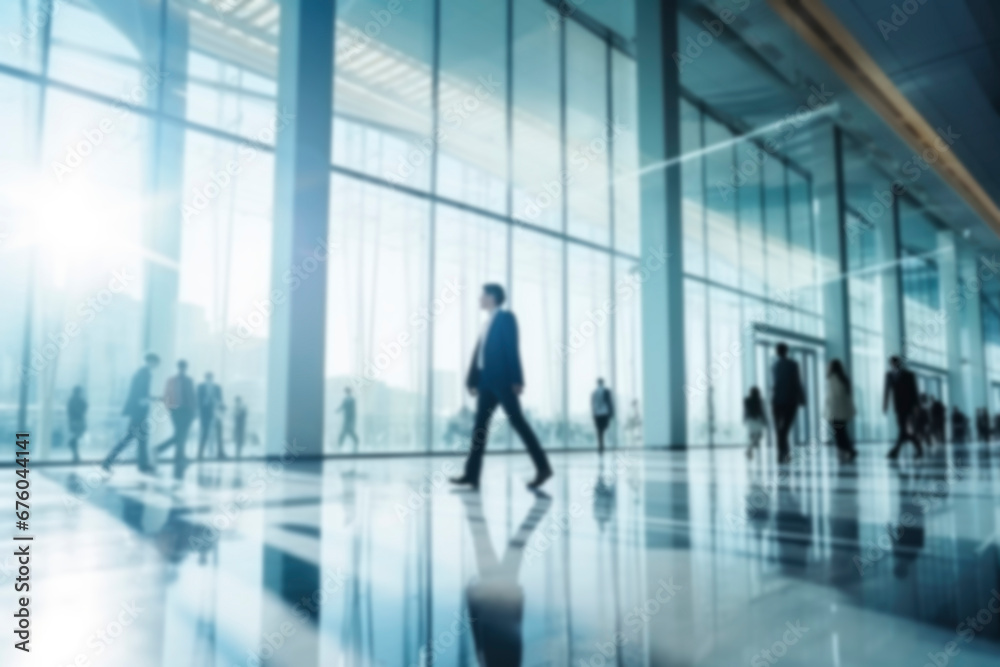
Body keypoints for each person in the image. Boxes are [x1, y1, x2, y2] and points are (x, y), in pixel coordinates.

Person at [451, 283, 553, 491]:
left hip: (503, 381)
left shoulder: (506, 318)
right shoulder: (487, 322)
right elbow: (478, 355)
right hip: (486, 381)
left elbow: (512, 348)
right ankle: (472, 475)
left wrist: (517, 379)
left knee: (518, 423)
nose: (479, 298)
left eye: (482, 295)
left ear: (493, 297)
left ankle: (543, 468)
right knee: (479, 429)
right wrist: (472, 381)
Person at [103, 353, 160, 472]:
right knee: (132, 438)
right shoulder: (145, 373)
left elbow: (139, 392)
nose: (156, 365)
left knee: (140, 438)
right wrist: (143, 400)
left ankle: (141, 465)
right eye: (155, 362)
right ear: (151, 361)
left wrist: (151, 398)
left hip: (137, 411)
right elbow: (138, 393)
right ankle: (109, 461)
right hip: (139, 412)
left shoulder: (141, 373)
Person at [155, 360, 197, 477]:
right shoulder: (171, 380)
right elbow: (166, 395)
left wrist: (194, 412)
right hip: (176, 411)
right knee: (180, 435)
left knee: (181, 435)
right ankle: (162, 450)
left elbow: (193, 396)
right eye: (181, 367)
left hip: (188, 411)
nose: (182, 369)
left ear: (186, 368)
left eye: (184, 367)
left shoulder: (189, 380)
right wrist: (170, 409)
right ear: (178, 367)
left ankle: (179, 457)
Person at [770, 343, 806, 465]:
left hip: (776, 401)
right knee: (784, 429)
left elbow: (775, 385)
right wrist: (802, 398)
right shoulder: (793, 365)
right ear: (786, 351)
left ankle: (782, 453)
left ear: (777, 352)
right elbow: (797, 382)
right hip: (790, 401)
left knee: (779, 430)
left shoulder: (774, 366)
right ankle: (784, 453)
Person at [884, 356, 922, 460]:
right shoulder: (890, 375)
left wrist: (917, 406)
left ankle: (895, 451)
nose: (893, 365)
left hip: (908, 406)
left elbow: (914, 391)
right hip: (898, 406)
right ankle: (917, 448)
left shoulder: (908, 375)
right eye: (892, 363)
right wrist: (885, 404)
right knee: (903, 430)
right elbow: (886, 390)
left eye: (894, 363)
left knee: (903, 429)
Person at [825, 360, 857, 463]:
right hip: (843, 411)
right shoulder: (844, 379)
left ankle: (847, 450)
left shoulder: (832, 379)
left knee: (838, 433)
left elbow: (831, 397)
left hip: (835, 411)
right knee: (842, 432)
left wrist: (827, 411)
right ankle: (848, 450)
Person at [197, 372, 225, 460]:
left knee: (219, 433)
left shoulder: (217, 388)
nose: (209, 380)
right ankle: (200, 454)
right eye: (208, 378)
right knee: (204, 433)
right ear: (205, 379)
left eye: (210, 378)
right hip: (205, 414)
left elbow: (221, 400)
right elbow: (198, 401)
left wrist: (216, 402)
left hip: (216, 413)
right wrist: (206, 400)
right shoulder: (200, 387)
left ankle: (220, 453)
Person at [591, 378, 615, 455]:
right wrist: (611, 412)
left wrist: (594, 414)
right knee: (602, 429)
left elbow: (593, 404)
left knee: (599, 431)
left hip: (598, 413)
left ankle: (601, 446)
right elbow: (609, 402)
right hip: (604, 413)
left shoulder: (595, 392)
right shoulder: (605, 391)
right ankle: (602, 446)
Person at [744, 387, 768, 460]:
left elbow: (746, 411)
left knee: (754, 436)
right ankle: (749, 450)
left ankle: (750, 450)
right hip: (758, 419)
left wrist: (745, 418)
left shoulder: (747, 400)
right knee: (757, 436)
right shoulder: (760, 400)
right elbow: (762, 411)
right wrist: (765, 420)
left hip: (751, 419)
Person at [66, 386, 88, 464]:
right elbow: (83, 408)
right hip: (77, 420)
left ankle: (75, 454)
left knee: (77, 436)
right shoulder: (75, 401)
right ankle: (75, 454)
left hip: (77, 420)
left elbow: (84, 407)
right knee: (77, 436)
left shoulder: (73, 400)